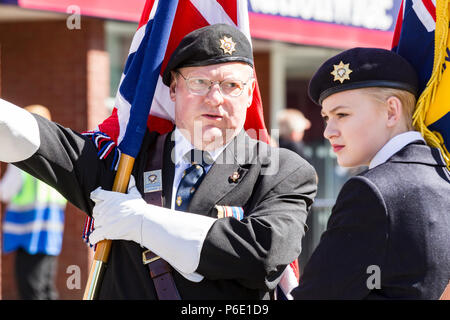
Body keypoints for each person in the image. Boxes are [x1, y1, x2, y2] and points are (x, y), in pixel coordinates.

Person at [0, 24, 317, 299]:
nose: (215, 98)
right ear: (174, 90)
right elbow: (37, 142)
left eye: (231, 85)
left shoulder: (282, 170)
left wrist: (141, 222)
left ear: (249, 95)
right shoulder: (124, 162)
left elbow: (261, 257)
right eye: (199, 83)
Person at [291, 47, 450, 300]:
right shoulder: (443, 176)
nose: (328, 131)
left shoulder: (371, 191)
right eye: (325, 117)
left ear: (391, 111)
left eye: (342, 114)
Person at [0, 105, 67, 300]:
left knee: (30, 289)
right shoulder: (57, 159)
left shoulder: (21, 158)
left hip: (28, 235)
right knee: (46, 288)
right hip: (51, 234)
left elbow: (6, 191)